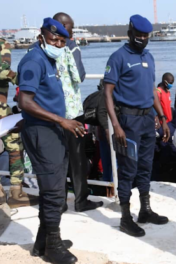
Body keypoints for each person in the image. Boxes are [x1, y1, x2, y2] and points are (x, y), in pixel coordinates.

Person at [17, 18, 82, 264]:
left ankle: (42, 242)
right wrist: (62, 120)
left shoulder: (49, 58)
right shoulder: (34, 60)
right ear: (41, 36)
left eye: (62, 41)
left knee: (53, 187)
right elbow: (25, 101)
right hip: (43, 132)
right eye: (54, 39)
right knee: (54, 191)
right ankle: (53, 245)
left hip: (51, 129)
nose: (57, 44)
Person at [104, 15, 170, 237]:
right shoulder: (118, 57)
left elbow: (152, 90)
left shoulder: (149, 57)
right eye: (139, 34)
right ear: (130, 32)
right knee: (128, 170)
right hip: (128, 122)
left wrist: (162, 118)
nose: (142, 38)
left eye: (146, 35)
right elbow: (107, 93)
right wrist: (116, 126)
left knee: (145, 167)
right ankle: (125, 217)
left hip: (147, 120)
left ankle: (145, 210)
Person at [51, 12, 103, 213]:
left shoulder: (41, 47)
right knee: (77, 157)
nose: (72, 33)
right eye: (71, 28)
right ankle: (81, 200)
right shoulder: (70, 46)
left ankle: (60, 201)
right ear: (62, 26)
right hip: (72, 112)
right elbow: (80, 75)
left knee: (57, 159)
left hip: (52, 112)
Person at [0, 38, 38, 208]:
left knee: (15, 146)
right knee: (15, 145)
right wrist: (17, 77)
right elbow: (2, 70)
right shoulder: (2, 45)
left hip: (2, 110)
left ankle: (16, 192)